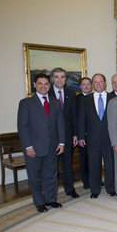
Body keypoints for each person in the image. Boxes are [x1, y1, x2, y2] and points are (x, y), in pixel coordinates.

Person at [18, 73, 65, 213]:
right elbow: (23, 126)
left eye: (46, 84)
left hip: (52, 146)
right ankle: (39, 202)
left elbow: (60, 124)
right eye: (40, 83)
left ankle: (51, 199)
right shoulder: (26, 103)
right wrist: (28, 146)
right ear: (34, 85)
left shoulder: (55, 102)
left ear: (49, 85)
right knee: (35, 176)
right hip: (34, 148)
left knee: (51, 174)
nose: (43, 86)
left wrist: (62, 142)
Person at [77, 74, 116, 198]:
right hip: (92, 138)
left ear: (105, 83)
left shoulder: (113, 98)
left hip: (110, 138)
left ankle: (111, 188)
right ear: (92, 84)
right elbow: (81, 119)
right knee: (94, 165)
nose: (98, 84)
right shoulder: (85, 99)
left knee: (110, 165)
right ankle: (95, 190)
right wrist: (81, 136)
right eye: (95, 82)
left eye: (100, 81)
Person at [48, 67, 78, 198]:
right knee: (51, 166)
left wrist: (75, 134)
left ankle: (69, 189)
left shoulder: (71, 93)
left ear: (66, 79)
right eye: (57, 77)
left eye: (62, 77)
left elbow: (74, 115)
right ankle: (51, 192)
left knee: (67, 164)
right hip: (50, 136)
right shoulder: (46, 93)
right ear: (52, 78)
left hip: (67, 135)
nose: (59, 80)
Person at [77, 77, 92, 189]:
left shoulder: (94, 97)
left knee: (93, 159)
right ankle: (86, 181)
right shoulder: (76, 99)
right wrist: (79, 135)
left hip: (94, 135)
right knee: (84, 160)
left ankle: (94, 179)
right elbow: (76, 119)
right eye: (84, 84)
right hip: (82, 135)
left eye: (88, 84)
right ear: (80, 86)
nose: (86, 86)